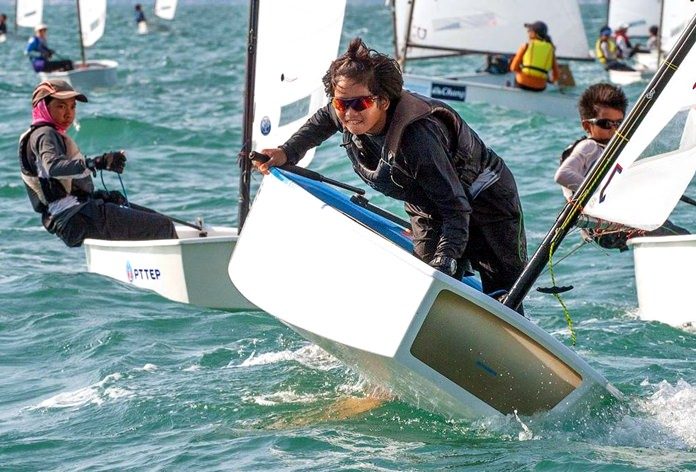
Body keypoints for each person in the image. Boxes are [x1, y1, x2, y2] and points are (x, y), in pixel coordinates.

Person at [255, 38, 528, 309]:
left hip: (486, 201)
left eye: (360, 104)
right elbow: (323, 121)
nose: (349, 113)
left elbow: (455, 208)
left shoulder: (418, 139)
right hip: (429, 206)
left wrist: (446, 259)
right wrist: (286, 152)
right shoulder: (345, 109)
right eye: (341, 104)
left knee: (503, 297)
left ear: (383, 101)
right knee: (427, 294)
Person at [18, 79, 177, 247]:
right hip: (77, 217)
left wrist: (100, 196)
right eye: (61, 106)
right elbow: (53, 167)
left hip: (74, 217)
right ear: (43, 106)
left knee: (156, 219)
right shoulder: (45, 134)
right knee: (163, 226)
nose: (68, 113)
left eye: (72, 107)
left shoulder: (42, 135)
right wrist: (97, 163)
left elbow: (56, 186)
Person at [554, 83, 688, 251]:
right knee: (681, 237)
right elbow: (563, 175)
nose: (614, 129)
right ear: (587, 126)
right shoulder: (589, 146)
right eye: (605, 124)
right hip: (604, 227)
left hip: (618, 222)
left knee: (671, 234)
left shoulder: (611, 148)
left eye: (619, 123)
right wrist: (603, 192)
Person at [509, 21, 559, 92]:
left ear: (534, 34)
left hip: (522, 83)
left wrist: (523, 73)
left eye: (529, 30)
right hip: (540, 87)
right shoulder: (551, 49)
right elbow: (556, 75)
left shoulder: (526, 46)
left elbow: (513, 68)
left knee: (517, 77)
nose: (528, 32)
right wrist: (547, 79)